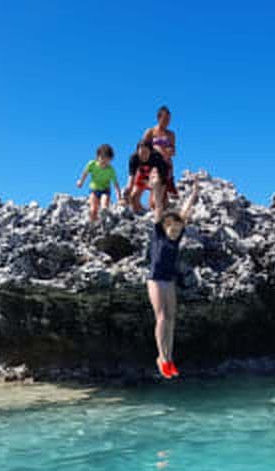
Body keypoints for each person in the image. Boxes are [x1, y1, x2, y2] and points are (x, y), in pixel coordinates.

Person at [148, 178, 200, 379]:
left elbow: (185, 213)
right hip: (155, 279)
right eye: (173, 229)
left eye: (179, 230)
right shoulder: (159, 234)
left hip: (169, 280)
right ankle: (161, 357)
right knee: (161, 317)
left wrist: (194, 194)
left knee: (171, 319)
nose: (176, 233)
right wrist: (155, 187)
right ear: (166, 226)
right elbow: (159, 208)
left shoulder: (176, 236)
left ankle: (169, 358)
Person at [76, 144, 122, 222]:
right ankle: (93, 223)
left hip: (105, 190)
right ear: (97, 157)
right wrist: (81, 182)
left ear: (110, 160)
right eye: (102, 158)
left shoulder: (111, 170)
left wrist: (119, 197)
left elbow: (115, 184)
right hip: (94, 189)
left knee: (104, 206)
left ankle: (104, 217)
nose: (104, 162)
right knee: (93, 209)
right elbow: (85, 173)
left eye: (107, 160)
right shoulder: (92, 164)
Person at [124, 140, 170, 213]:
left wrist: (160, 195)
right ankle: (142, 213)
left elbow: (163, 180)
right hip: (143, 173)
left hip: (158, 176)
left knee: (155, 203)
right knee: (133, 199)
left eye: (145, 153)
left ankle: (164, 204)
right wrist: (127, 190)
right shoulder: (134, 158)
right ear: (137, 152)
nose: (143, 156)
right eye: (141, 153)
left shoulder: (157, 158)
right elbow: (131, 177)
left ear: (150, 152)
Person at [143, 106, 178, 200]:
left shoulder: (171, 134)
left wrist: (168, 151)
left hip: (167, 164)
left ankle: (161, 209)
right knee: (153, 188)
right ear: (159, 118)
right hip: (153, 163)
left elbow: (174, 151)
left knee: (164, 191)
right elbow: (142, 148)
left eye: (169, 119)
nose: (167, 122)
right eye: (165, 119)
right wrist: (157, 148)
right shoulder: (150, 132)